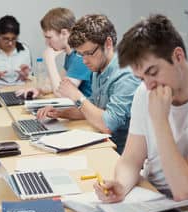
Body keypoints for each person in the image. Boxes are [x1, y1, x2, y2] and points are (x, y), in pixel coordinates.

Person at [94, 14, 188, 208]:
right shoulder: (144, 92)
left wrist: (160, 120)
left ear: (178, 56)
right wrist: (121, 185)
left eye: (153, 73)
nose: (148, 85)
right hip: (146, 197)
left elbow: (184, 192)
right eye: (141, 78)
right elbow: (131, 159)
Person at [36, 14, 140, 153]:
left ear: (108, 43)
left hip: (119, 153)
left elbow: (108, 124)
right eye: (80, 54)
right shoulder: (99, 67)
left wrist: (77, 96)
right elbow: (93, 109)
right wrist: (61, 113)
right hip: (103, 143)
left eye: (88, 53)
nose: (84, 61)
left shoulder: (125, 75)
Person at [16, 7, 92, 98]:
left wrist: (49, 59)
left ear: (64, 33)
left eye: (49, 37)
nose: (47, 43)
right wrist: (39, 90)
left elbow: (62, 94)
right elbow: (61, 82)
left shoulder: (80, 57)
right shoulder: (70, 55)